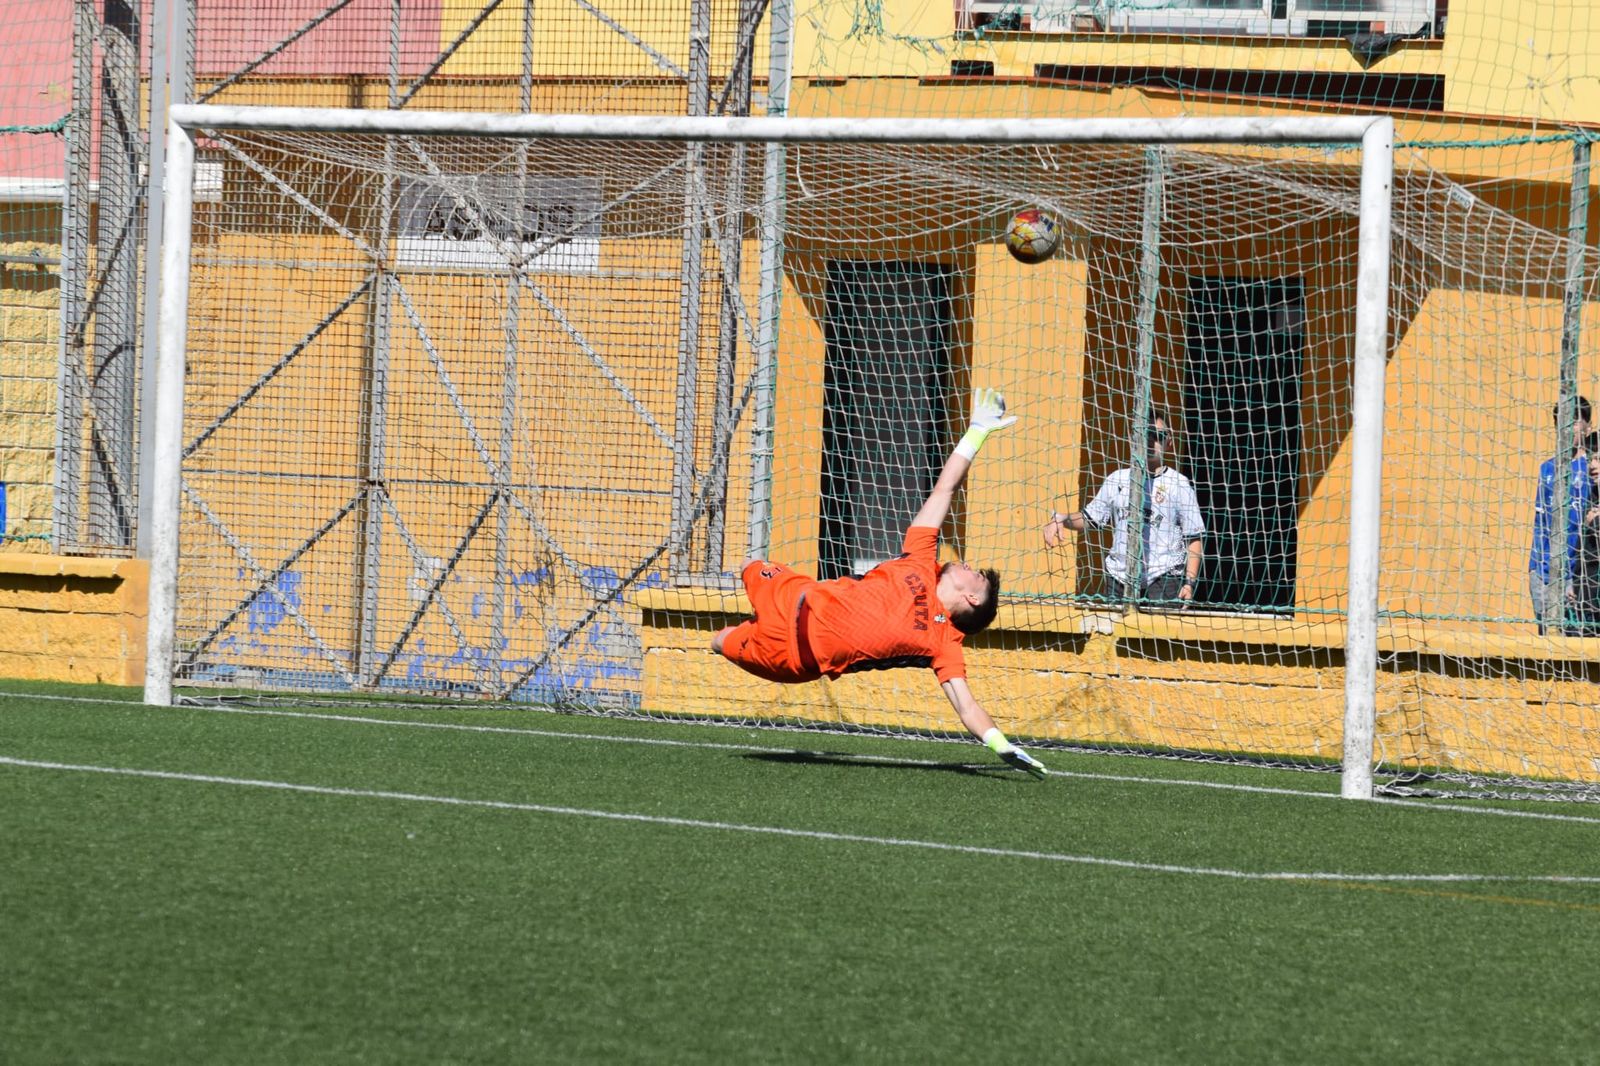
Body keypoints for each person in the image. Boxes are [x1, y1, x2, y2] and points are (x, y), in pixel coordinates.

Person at [712, 387, 1048, 779]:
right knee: (750, 563)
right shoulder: (922, 556)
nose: (969, 565)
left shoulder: (945, 646)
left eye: (976, 574)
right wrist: (976, 432)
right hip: (794, 595)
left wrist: (999, 743)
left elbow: (966, 705)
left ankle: (737, 635)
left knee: (719, 640)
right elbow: (946, 489)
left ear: (972, 597)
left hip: (791, 654)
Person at [1041, 411, 1204, 605]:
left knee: (1157, 635)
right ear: (1133, 438)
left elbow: (1193, 537)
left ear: (1169, 442)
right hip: (1119, 576)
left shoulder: (1179, 484)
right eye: (1145, 435)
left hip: (1163, 578)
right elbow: (1090, 518)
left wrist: (1189, 582)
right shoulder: (1116, 479)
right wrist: (1062, 518)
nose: (1150, 441)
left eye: (1157, 436)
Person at [1529, 396, 1593, 634]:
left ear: (1588, 426)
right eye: (1562, 421)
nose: (1568, 427)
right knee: (1548, 646)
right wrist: (1533, 568)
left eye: (1575, 421)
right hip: (1543, 573)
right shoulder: (1546, 469)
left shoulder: (1593, 470)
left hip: (1580, 575)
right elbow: (1540, 522)